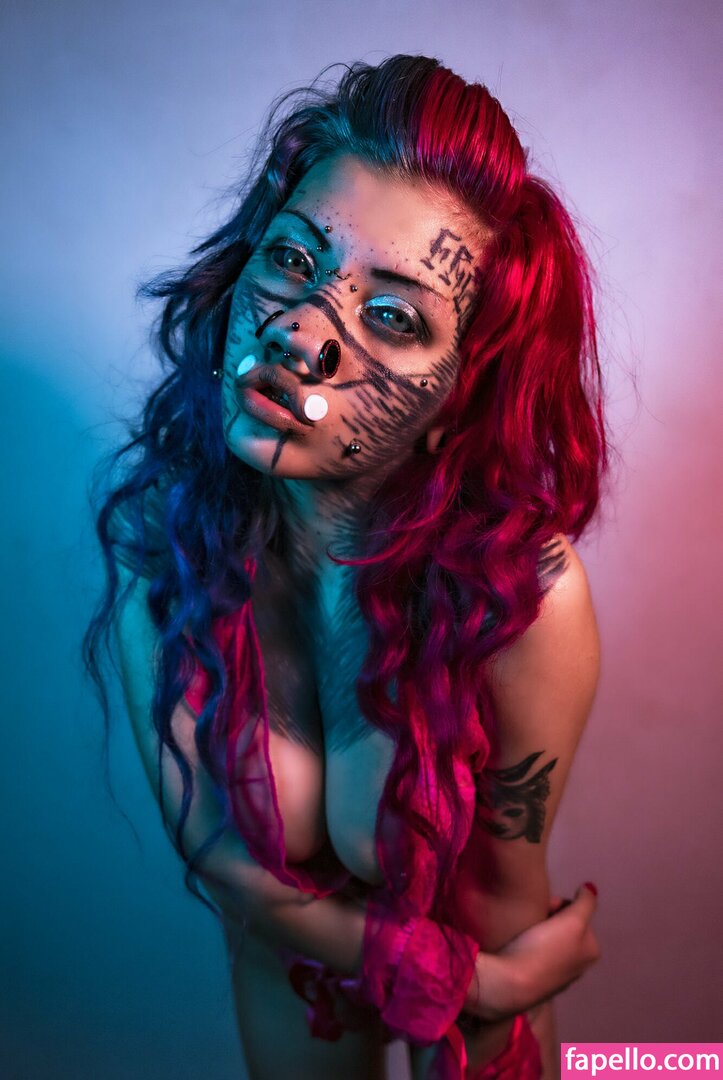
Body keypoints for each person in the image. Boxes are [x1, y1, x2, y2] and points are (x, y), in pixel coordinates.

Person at [85, 55, 606, 1080]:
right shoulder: (167, 537)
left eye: (393, 317)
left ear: (460, 401)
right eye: (290, 258)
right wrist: (470, 980)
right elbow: (221, 860)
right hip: (296, 1006)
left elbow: (501, 905)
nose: (297, 334)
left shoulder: (520, 601)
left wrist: (483, 997)